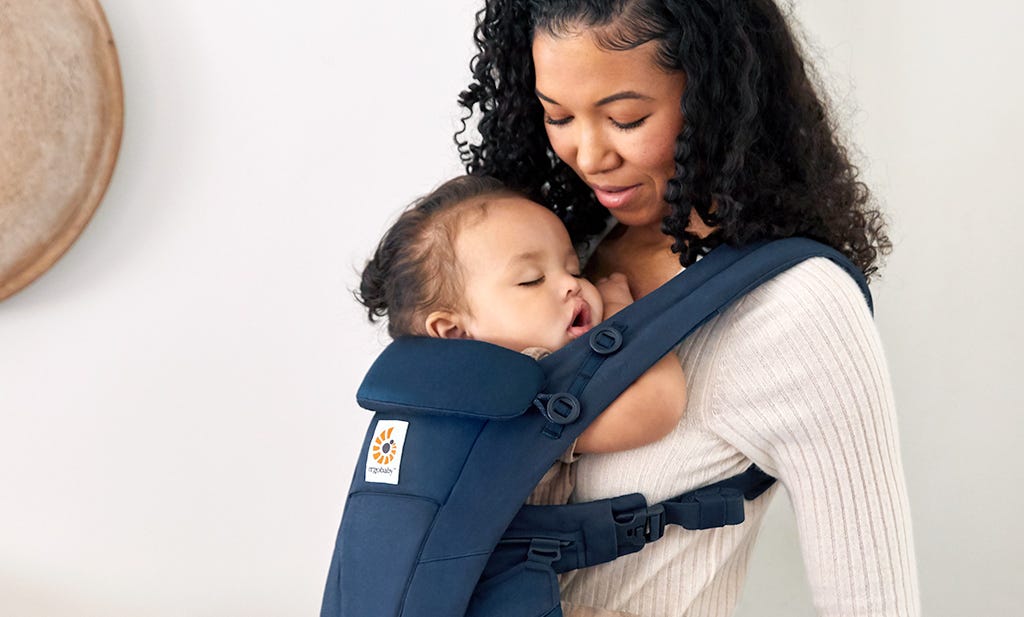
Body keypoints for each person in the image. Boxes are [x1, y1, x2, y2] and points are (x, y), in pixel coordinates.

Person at [454, 1, 921, 616]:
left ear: (713, 98)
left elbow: (874, 603)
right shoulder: (561, 258)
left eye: (625, 118)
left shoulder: (796, 308)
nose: (588, 155)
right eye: (558, 116)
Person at [355, 174, 689, 505]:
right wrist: (622, 314)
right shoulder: (511, 395)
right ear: (454, 333)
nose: (571, 285)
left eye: (574, 270)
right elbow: (657, 405)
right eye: (531, 280)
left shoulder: (425, 396)